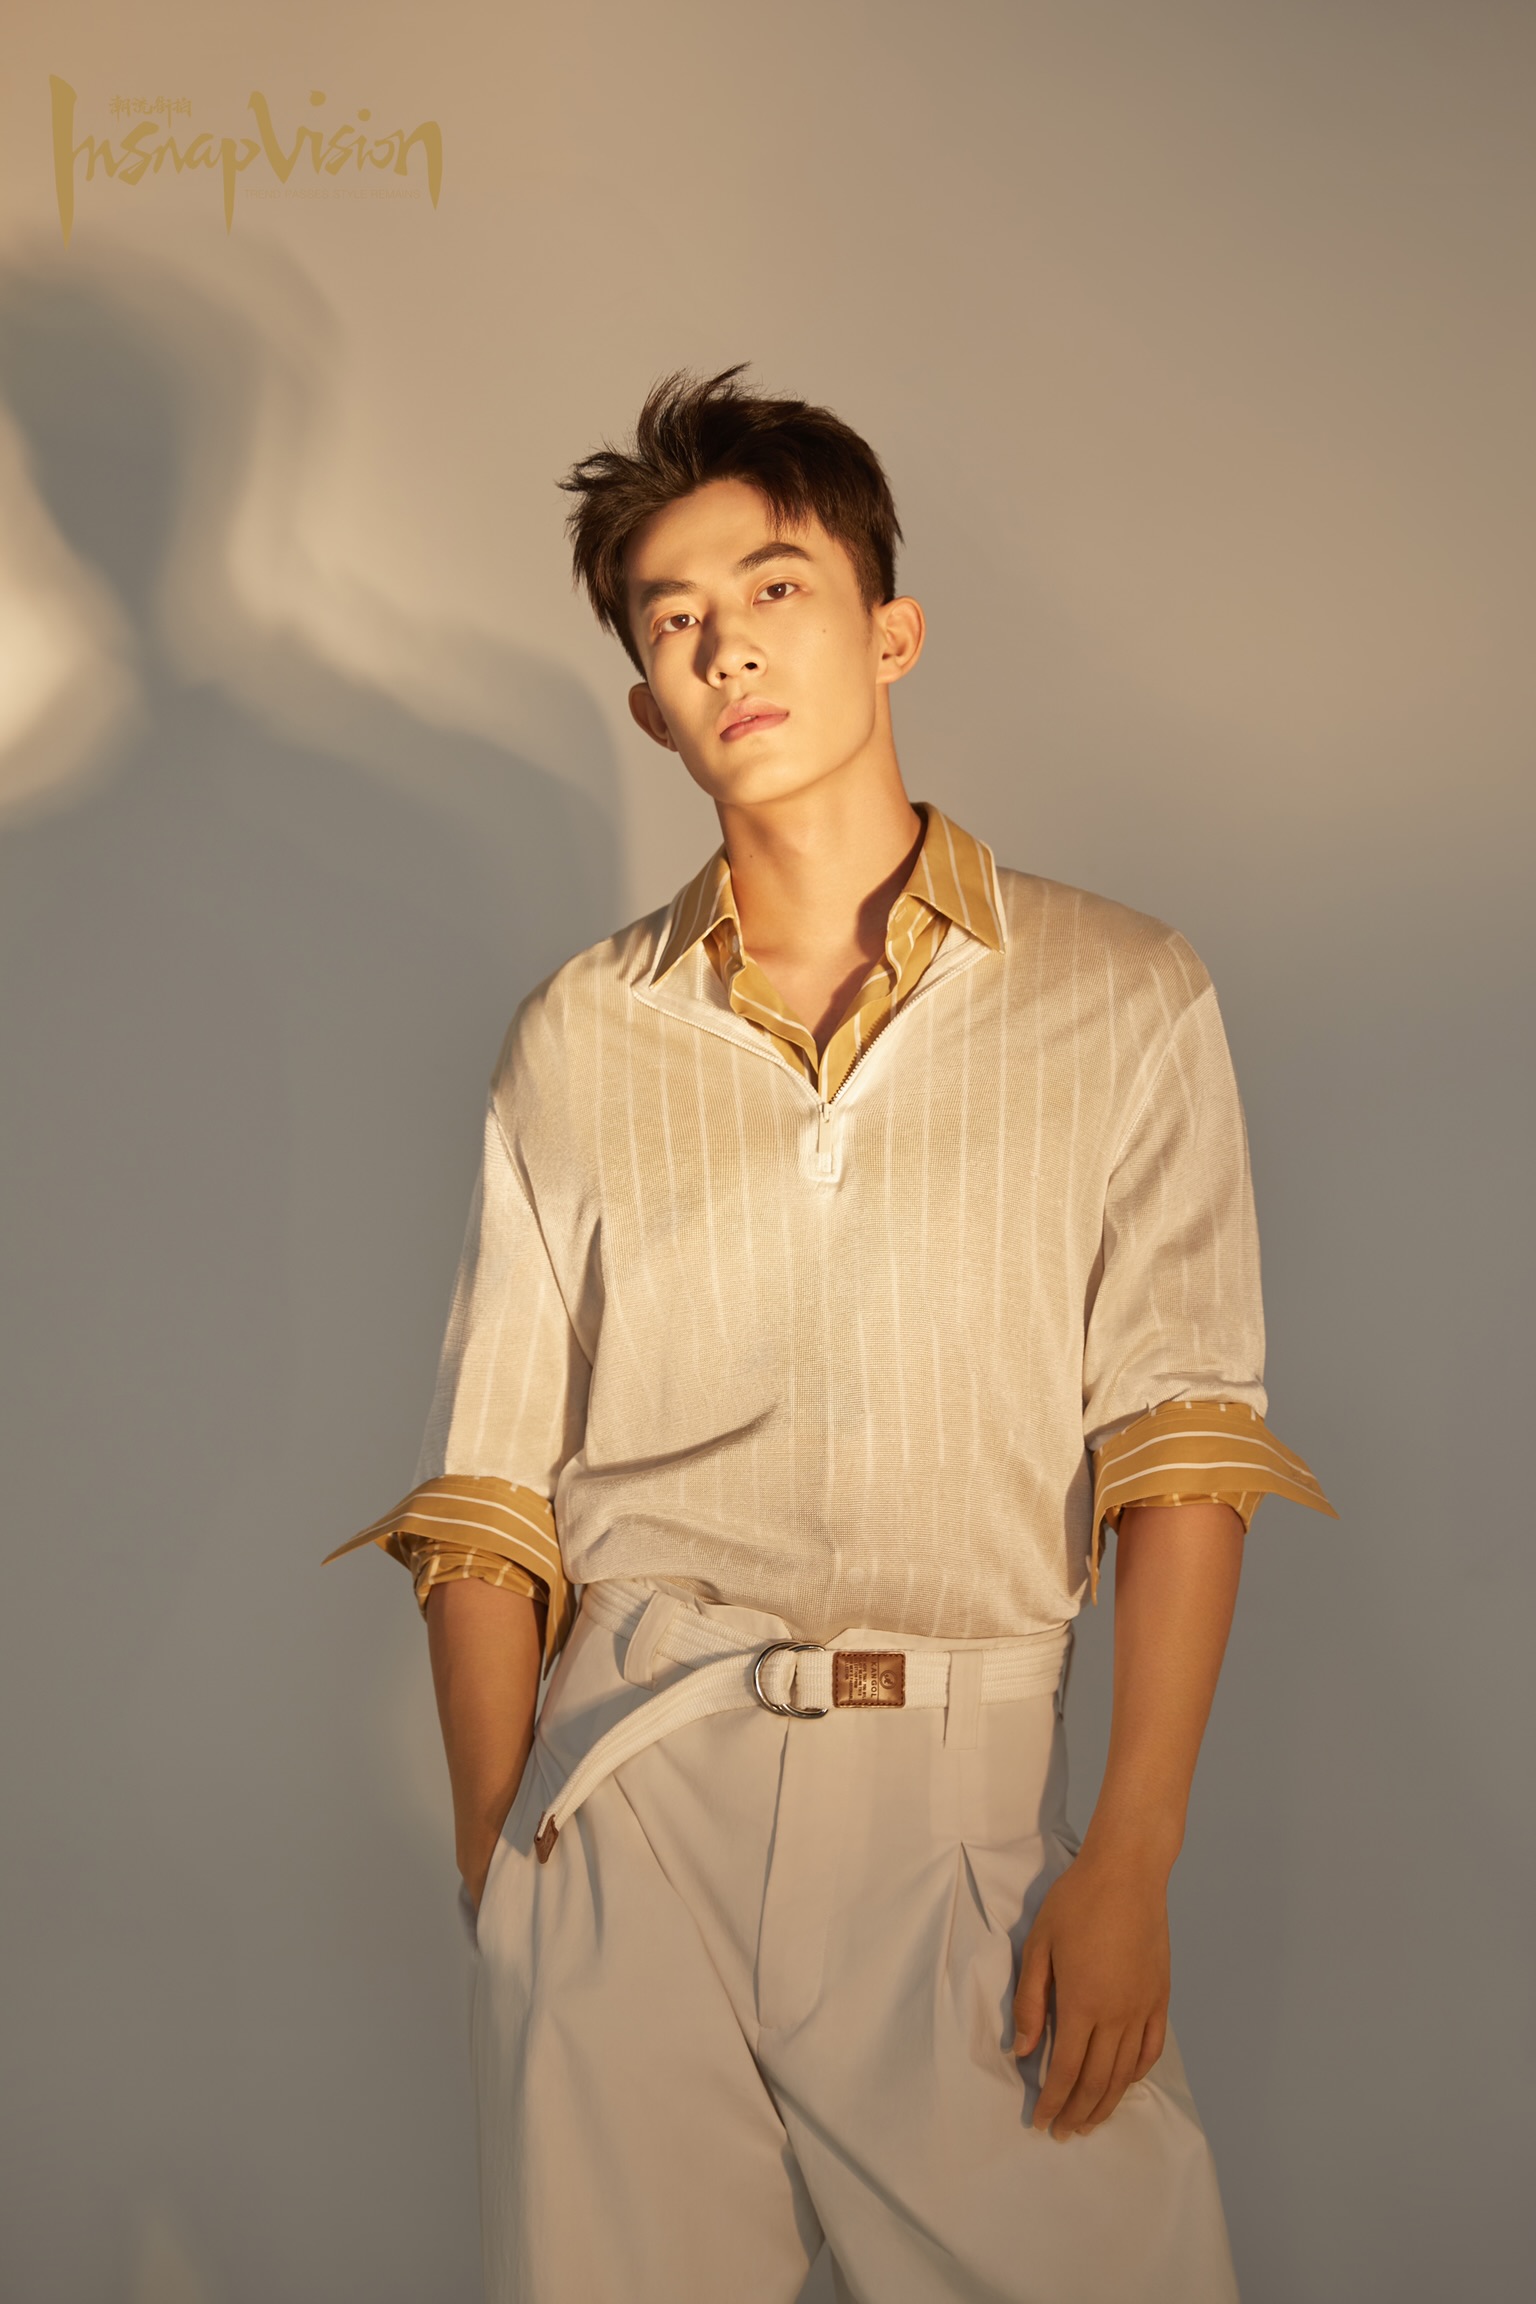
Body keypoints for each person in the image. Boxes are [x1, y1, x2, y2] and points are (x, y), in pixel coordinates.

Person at [330, 368, 1333, 2302]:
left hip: (959, 1820)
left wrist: (1128, 1858)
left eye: (773, 587)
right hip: (624, 1804)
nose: (727, 646)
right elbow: (488, 1494)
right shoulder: (578, 1034)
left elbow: (1179, 1446)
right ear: (648, 703)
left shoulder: (1121, 993)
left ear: (892, 629)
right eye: (674, 621)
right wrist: (501, 1864)